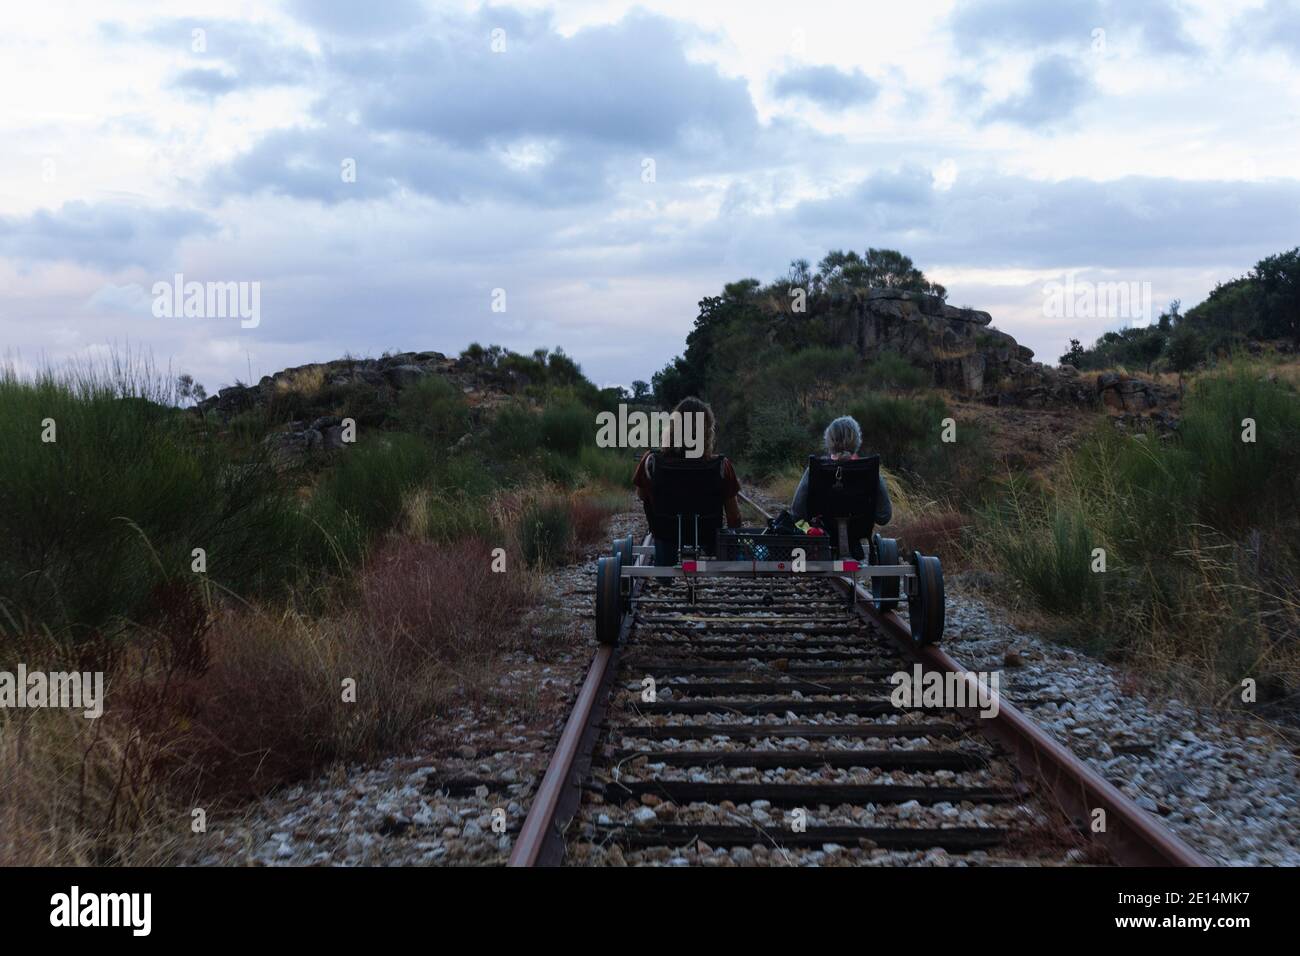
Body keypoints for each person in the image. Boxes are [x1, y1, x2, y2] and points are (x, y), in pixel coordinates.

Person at [633, 396, 742, 564]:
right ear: (707, 431)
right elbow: (734, 516)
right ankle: (709, 548)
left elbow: (641, 496)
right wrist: (735, 543)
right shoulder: (721, 466)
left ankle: (665, 562)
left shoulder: (652, 461)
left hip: (666, 532)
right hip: (707, 533)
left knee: (655, 509)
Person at [790, 415, 892, 526]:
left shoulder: (814, 471)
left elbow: (797, 514)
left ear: (829, 440)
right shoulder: (870, 471)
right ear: (857, 441)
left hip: (821, 536)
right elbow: (884, 517)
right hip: (857, 533)